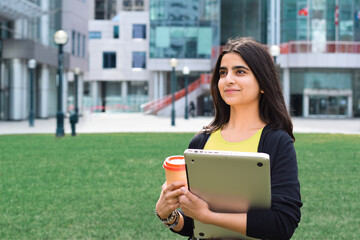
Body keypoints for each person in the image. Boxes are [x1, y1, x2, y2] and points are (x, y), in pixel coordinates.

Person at [155, 37, 302, 240]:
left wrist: (209, 215)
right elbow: (193, 224)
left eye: (240, 71)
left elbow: (282, 223)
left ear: (263, 83)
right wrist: (167, 214)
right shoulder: (200, 142)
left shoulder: (277, 142)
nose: (228, 79)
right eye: (223, 72)